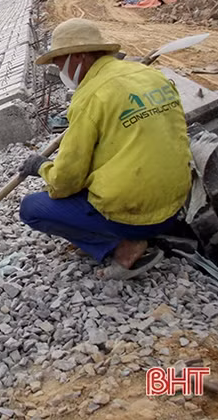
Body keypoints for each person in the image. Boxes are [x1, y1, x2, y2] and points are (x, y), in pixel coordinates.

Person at [18, 18, 192, 279]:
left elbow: (67, 180)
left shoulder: (90, 98)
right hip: (176, 204)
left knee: (33, 208)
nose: (58, 70)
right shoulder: (151, 75)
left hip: (138, 215)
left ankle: (124, 247)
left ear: (79, 57)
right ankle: (126, 231)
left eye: (59, 62)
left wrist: (41, 167)